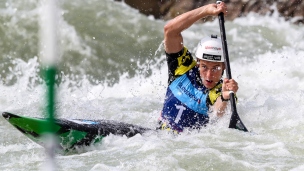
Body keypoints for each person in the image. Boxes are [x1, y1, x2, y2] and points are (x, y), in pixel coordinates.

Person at [158, 2, 239, 132]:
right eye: (204, 67)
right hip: (155, 138)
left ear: (224, 66)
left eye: (215, 68)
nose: (209, 75)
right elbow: (170, 31)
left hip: (182, 147)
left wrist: (224, 97)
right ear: (197, 62)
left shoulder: (222, 90)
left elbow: (217, 113)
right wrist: (205, 11)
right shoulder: (183, 67)